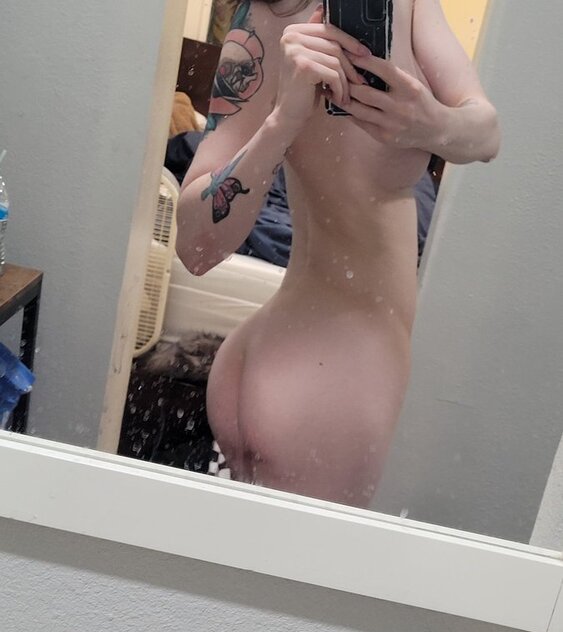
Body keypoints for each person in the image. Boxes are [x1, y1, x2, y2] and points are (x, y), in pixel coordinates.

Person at [177, 0, 500, 507]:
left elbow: (485, 133)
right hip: (337, 376)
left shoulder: (407, 6)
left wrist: (428, 123)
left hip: (289, 360)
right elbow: (196, 249)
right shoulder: (265, 23)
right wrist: (282, 121)